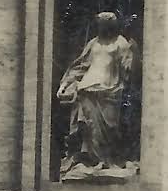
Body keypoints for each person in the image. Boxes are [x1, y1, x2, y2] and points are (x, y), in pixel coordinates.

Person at [56, 13, 138, 176]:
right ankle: (94, 161)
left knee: (109, 128)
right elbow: (80, 66)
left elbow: (128, 68)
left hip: (110, 90)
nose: (101, 28)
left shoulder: (120, 43)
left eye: (104, 25)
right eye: (99, 25)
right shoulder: (93, 43)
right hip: (87, 89)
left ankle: (108, 161)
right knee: (89, 127)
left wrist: (134, 55)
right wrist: (64, 85)